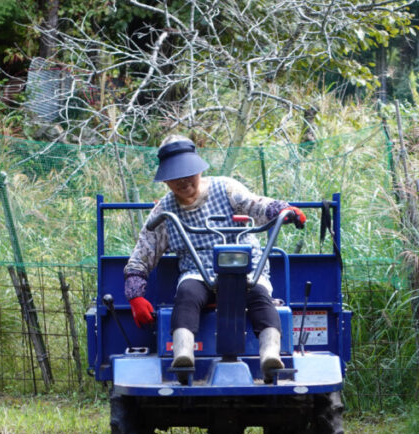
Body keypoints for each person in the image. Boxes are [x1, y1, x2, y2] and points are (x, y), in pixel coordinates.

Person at [123, 135, 306, 374]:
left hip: (244, 267)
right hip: (197, 271)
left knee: (260, 296)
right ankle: (183, 354)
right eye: (175, 177)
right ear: (166, 180)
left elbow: (256, 205)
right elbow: (142, 253)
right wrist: (135, 295)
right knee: (186, 294)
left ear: (198, 169)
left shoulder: (227, 188)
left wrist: (283, 210)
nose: (183, 181)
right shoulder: (163, 212)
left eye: (188, 173)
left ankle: (270, 353)